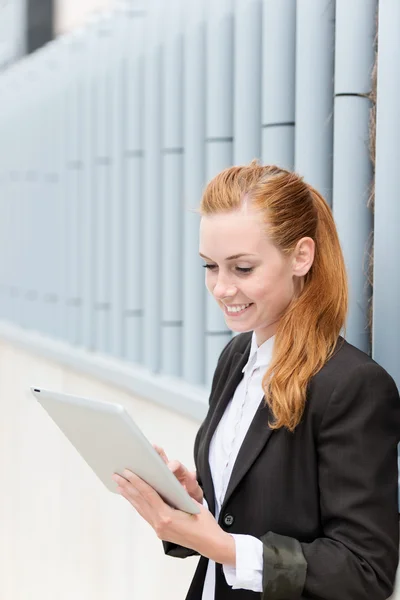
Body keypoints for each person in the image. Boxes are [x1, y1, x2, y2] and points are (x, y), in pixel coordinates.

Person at [112, 163, 400, 600]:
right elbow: (245, 514)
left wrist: (226, 548)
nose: (222, 288)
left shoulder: (351, 386)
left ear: (302, 256)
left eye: (242, 268)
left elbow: (363, 572)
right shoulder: (236, 358)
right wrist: (193, 501)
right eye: (211, 266)